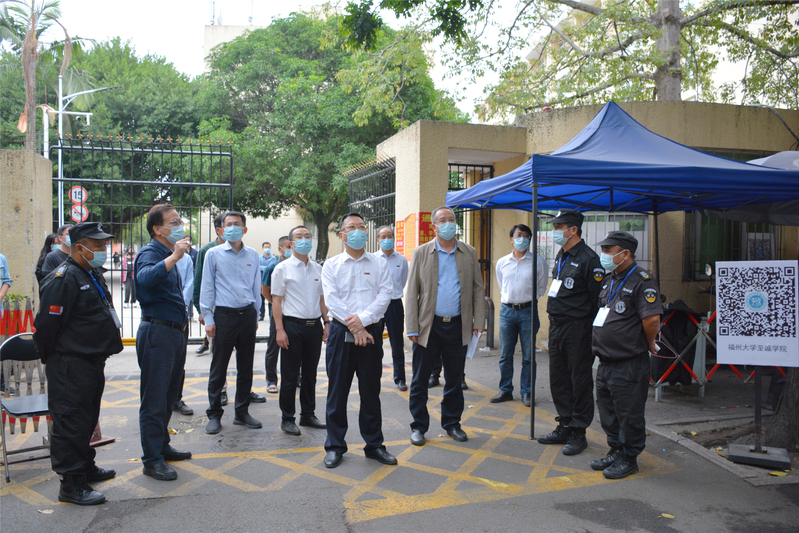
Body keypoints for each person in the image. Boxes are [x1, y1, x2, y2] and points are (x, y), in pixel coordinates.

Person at [33, 221, 123, 505]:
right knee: (70, 422)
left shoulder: (90, 272)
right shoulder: (63, 278)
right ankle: (71, 484)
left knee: (86, 418)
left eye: (104, 244)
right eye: (98, 245)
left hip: (91, 361)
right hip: (71, 363)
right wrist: (57, 360)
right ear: (80, 248)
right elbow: (46, 327)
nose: (103, 249)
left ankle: (85, 467)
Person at [405, 206, 485, 446]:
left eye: (451, 219)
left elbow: (478, 288)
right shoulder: (421, 252)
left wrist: (479, 322)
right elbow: (412, 291)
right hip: (428, 326)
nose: (448, 223)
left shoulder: (469, 252)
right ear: (434, 226)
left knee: (454, 379)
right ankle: (418, 426)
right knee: (420, 380)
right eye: (443, 220)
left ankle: (452, 423)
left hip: (458, 325)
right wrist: (412, 327)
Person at [321, 212, 395, 468]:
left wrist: (362, 322)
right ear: (342, 235)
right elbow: (332, 300)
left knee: (371, 392)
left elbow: (385, 295)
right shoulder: (331, 265)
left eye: (361, 226)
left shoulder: (379, 263)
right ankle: (335, 446)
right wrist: (356, 327)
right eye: (351, 227)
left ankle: (374, 445)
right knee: (337, 392)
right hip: (340, 333)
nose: (358, 231)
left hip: (371, 333)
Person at [591, 231, 661, 479]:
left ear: (625, 253)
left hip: (629, 362)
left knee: (629, 413)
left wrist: (649, 342)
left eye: (608, 250)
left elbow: (652, 319)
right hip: (606, 361)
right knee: (608, 411)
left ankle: (629, 458)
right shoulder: (610, 279)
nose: (603, 254)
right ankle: (616, 450)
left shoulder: (642, 281)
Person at [135, 204, 194, 481]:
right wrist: (174, 257)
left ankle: (162, 446)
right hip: (157, 333)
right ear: (158, 229)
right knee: (155, 399)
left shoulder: (166, 253)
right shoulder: (151, 253)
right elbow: (144, 280)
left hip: (174, 333)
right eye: (174, 222)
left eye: (180, 220)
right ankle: (151, 460)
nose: (180, 225)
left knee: (170, 396)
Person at [538, 209, 604, 456]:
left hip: (578, 327)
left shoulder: (589, 259)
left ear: (573, 229)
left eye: (558, 227)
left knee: (579, 380)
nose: (554, 231)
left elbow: (596, 300)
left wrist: (591, 333)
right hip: (557, 326)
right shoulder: (562, 255)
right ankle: (564, 424)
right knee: (559, 379)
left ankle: (578, 431)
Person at [201, 211, 263, 435]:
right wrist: (208, 318)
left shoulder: (253, 254)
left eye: (237, 224)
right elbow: (207, 287)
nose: (233, 227)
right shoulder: (213, 254)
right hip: (223, 317)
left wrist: (255, 315)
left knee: (246, 367)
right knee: (219, 367)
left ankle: (242, 412)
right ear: (222, 229)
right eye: (229, 224)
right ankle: (214, 414)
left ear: (245, 229)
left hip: (247, 316)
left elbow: (256, 286)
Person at [271, 225, 328, 435]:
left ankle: (308, 414)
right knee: (290, 375)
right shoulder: (282, 269)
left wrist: (327, 323)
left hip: (314, 327)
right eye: (299, 236)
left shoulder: (318, 269)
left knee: (310, 375)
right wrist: (279, 330)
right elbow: (276, 301)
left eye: (307, 236)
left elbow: (322, 299)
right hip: (292, 327)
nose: (304, 239)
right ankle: (287, 418)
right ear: (291, 243)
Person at [491, 223, 548, 407]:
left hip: (528, 311)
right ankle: (505, 390)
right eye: (518, 235)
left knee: (528, 356)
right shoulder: (502, 262)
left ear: (530, 239)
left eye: (525, 235)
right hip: (507, 312)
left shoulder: (538, 262)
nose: (522, 238)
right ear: (511, 239)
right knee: (505, 355)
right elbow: (502, 284)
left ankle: (527, 392)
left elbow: (541, 288)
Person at [372, 226, 409, 391]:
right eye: (383, 236)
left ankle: (400, 378)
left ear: (394, 238)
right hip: (377, 305)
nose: (386, 239)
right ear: (378, 240)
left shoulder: (401, 260)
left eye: (389, 236)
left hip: (394, 305)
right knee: (375, 343)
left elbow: (403, 281)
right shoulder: (372, 259)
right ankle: (374, 378)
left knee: (397, 343)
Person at [262, 236, 291, 394]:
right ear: (280, 249)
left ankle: (295, 377)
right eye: (288, 246)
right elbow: (265, 290)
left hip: (293, 313)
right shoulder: (273, 266)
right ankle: (271, 380)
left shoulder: (296, 265)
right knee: (274, 347)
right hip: (278, 312)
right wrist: (275, 304)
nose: (291, 249)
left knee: (293, 346)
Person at [193, 214, 225, 356]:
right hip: (214, 305)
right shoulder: (207, 251)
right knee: (218, 351)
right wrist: (200, 309)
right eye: (228, 226)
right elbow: (199, 280)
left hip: (235, 307)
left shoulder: (243, 251)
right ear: (218, 230)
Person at [171, 252, 196, 417]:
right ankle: (159, 401)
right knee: (161, 364)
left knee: (179, 361)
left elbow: (189, 283)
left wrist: (182, 304)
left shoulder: (186, 259)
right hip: (161, 317)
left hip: (180, 314)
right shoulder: (151, 255)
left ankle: (176, 399)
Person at [259, 241, 278, 320]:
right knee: (261, 299)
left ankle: (271, 315)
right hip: (260, 280)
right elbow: (258, 267)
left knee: (270, 298)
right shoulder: (259, 258)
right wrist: (265, 268)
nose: (267, 249)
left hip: (269, 281)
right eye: (265, 247)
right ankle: (261, 315)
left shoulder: (273, 258)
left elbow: (270, 268)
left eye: (268, 247)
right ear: (262, 248)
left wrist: (262, 268)